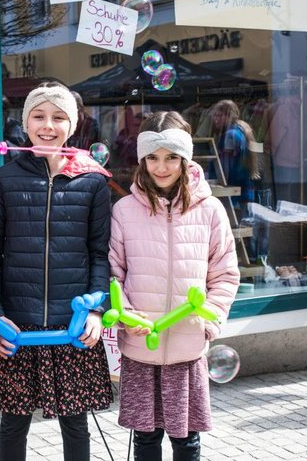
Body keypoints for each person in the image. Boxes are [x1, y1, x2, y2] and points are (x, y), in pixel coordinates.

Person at [0, 82, 114, 461]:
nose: (47, 125)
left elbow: (101, 255)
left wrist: (97, 312)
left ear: (73, 125)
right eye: (38, 115)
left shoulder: (93, 182)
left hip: (73, 324)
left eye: (58, 117)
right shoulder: (4, 179)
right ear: (25, 123)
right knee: (13, 422)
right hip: (16, 325)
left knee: (75, 423)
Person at [108, 111, 240, 460]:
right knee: (146, 439)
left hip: (187, 347)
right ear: (141, 160)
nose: (161, 167)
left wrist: (209, 319)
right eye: (152, 157)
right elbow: (113, 273)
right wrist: (123, 314)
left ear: (185, 159)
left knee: (186, 440)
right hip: (140, 347)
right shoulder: (124, 210)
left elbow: (225, 273)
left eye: (170, 158)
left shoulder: (210, 210)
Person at [210, 99, 258, 210]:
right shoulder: (240, 130)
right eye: (214, 115)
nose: (215, 119)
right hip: (243, 192)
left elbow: (226, 169)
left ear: (229, 116)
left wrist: (221, 188)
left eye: (219, 116)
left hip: (234, 195)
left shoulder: (230, 136)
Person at [2, 95, 27, 162]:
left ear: (8, 112)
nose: (2, 113)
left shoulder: (16, 128)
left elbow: (22, 152)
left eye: (4, 109)